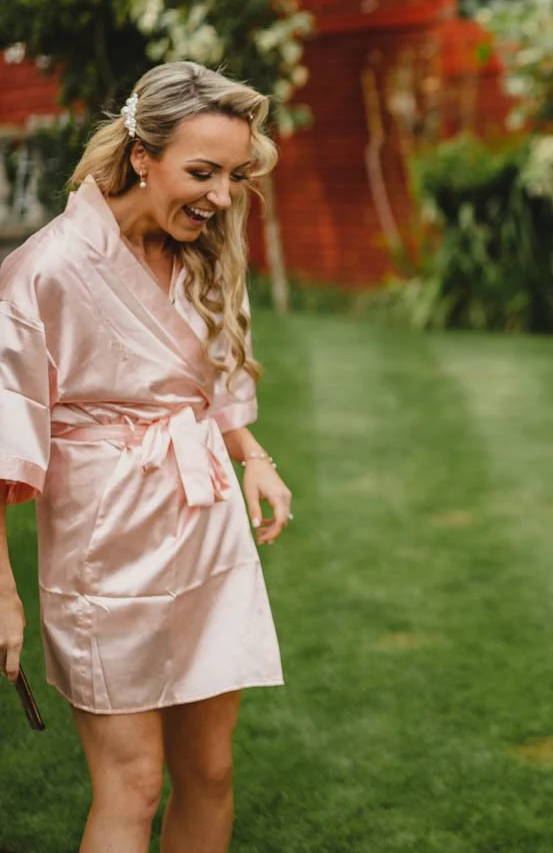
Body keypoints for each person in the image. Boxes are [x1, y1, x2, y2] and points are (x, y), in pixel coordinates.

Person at [0, 61, 291, 853]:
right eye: (203, 172)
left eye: (233, 175)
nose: (223, 197)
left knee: (212, 772)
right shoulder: (46, 270)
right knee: (131, 785)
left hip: (206, 526)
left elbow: (208, 380)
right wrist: (3, 591)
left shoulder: (205, 254)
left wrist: (252, 455)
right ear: (141, 156)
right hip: (107, 544)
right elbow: (5, 432)